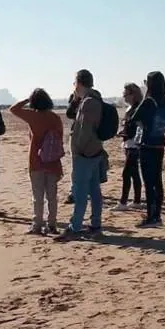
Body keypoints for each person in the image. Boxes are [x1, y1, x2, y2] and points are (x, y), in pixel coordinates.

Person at [57, 69, 105, 240]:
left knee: (81, 190)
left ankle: (75, 226)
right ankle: (95, 224)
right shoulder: (94, 99)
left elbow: (84, 131)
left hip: (85, 153)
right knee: (94, 190)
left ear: (78, 82)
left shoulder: (88, 102)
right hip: (95, 151)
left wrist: (78, 149)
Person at [9, 89, 64, 235]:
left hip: (36, 161)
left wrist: (27, 99)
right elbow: (59, 139)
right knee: (52, 196)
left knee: (37, 196)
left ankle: (37, 225)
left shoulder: (33, 116)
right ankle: (52, 224)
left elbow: (13, 109)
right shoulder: (55, 118)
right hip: (53, 161)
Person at [133, 71, 165, 227]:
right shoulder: (164, 101)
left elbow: (135, 117)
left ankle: (151, 216)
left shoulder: (149, 101)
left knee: (149, 182)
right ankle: (157, 214)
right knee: (157, 180)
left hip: (147, 143)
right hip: (159, 142)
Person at [115, 83, 143, 211]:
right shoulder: (129, 108)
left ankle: (123, 201)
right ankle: (137, 200)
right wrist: (122, 132)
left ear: (133, 95)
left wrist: (126, 132)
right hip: (128, 143)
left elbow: (136, 127)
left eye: (126, 94)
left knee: (127, 173)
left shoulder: (138, 108)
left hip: (134, 144)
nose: (124, 97)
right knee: (134, 173)